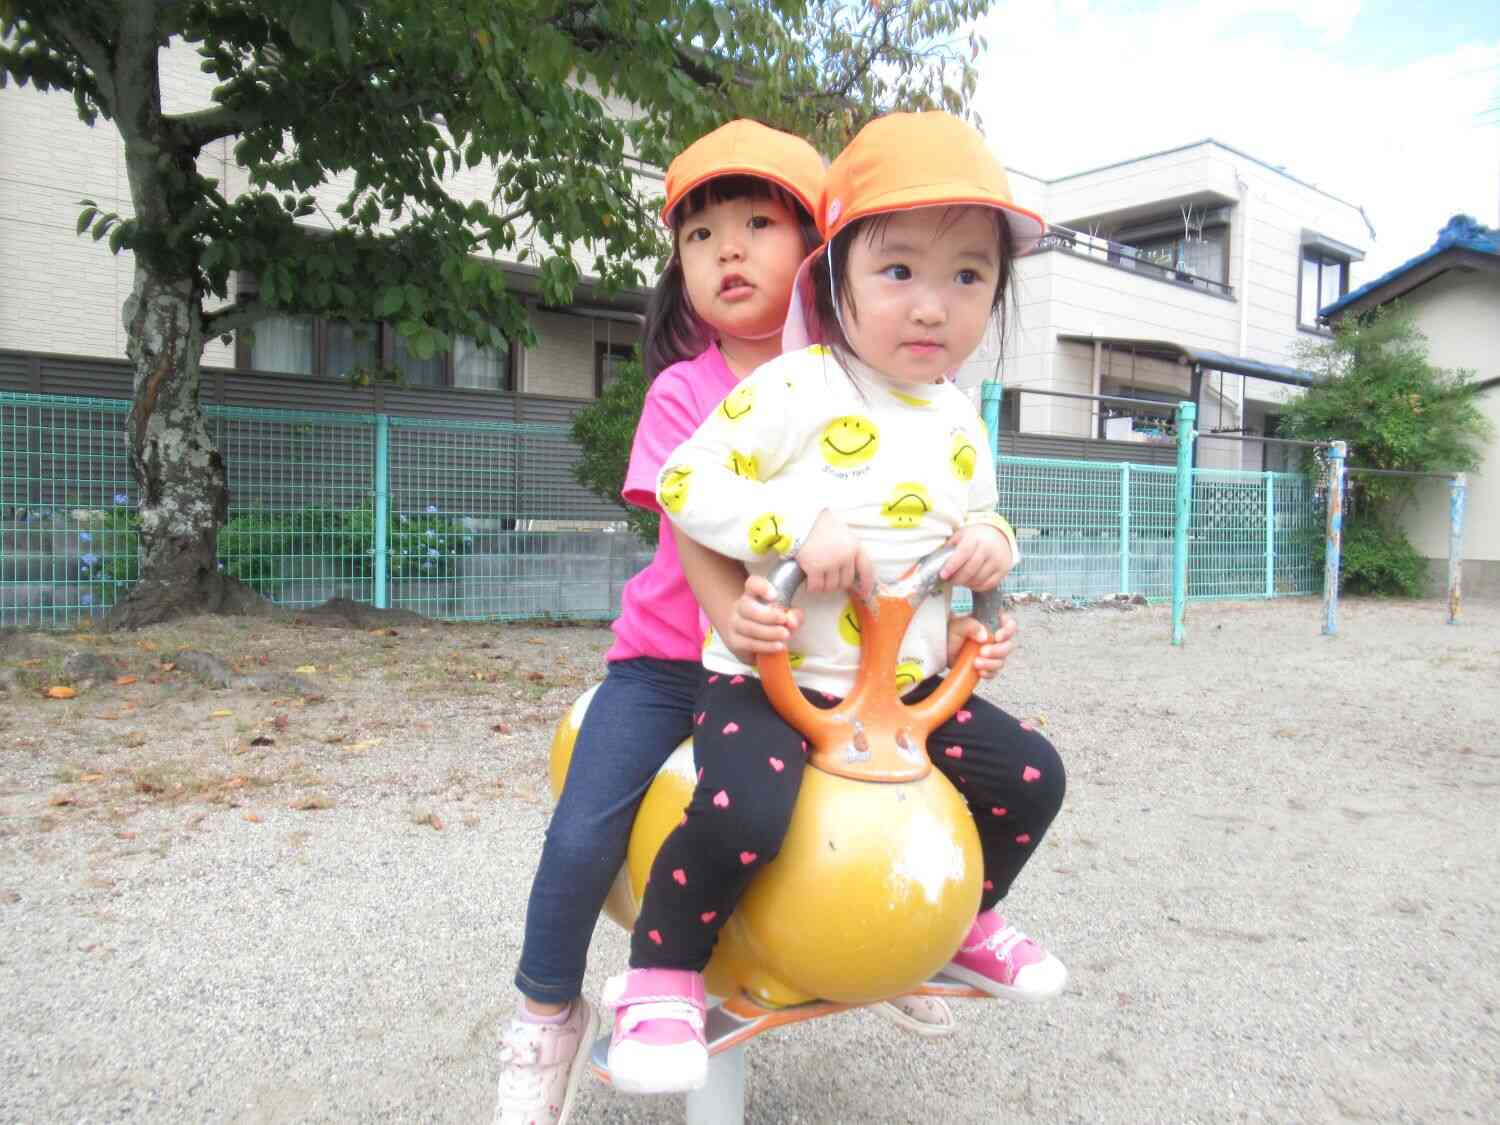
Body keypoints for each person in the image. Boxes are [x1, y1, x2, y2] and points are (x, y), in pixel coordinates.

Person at [493, 119, 951, 1125]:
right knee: (585, 833)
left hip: (820, 660)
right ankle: (545, 1011)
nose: (729, 250)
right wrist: (730, 629)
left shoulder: (870, 390)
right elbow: (694, 532)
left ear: (823, 256)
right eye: (700, 237)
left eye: (757, 223)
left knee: (909, 781)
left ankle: (903, 943)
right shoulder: (682, 391)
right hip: (672, 659)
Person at [603, 111, 1068, 1095]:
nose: (933, 307)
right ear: (835, 277)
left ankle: (964, 921)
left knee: (1030, 778)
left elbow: (975, 531)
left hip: (902, 695)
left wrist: (993, 552)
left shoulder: (957, 416)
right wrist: (790, 522)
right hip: (776, 683)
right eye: (898, 271)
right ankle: (660, 974)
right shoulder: (795, 388)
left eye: (968, 277)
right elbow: (687, 485)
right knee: (742, 813)